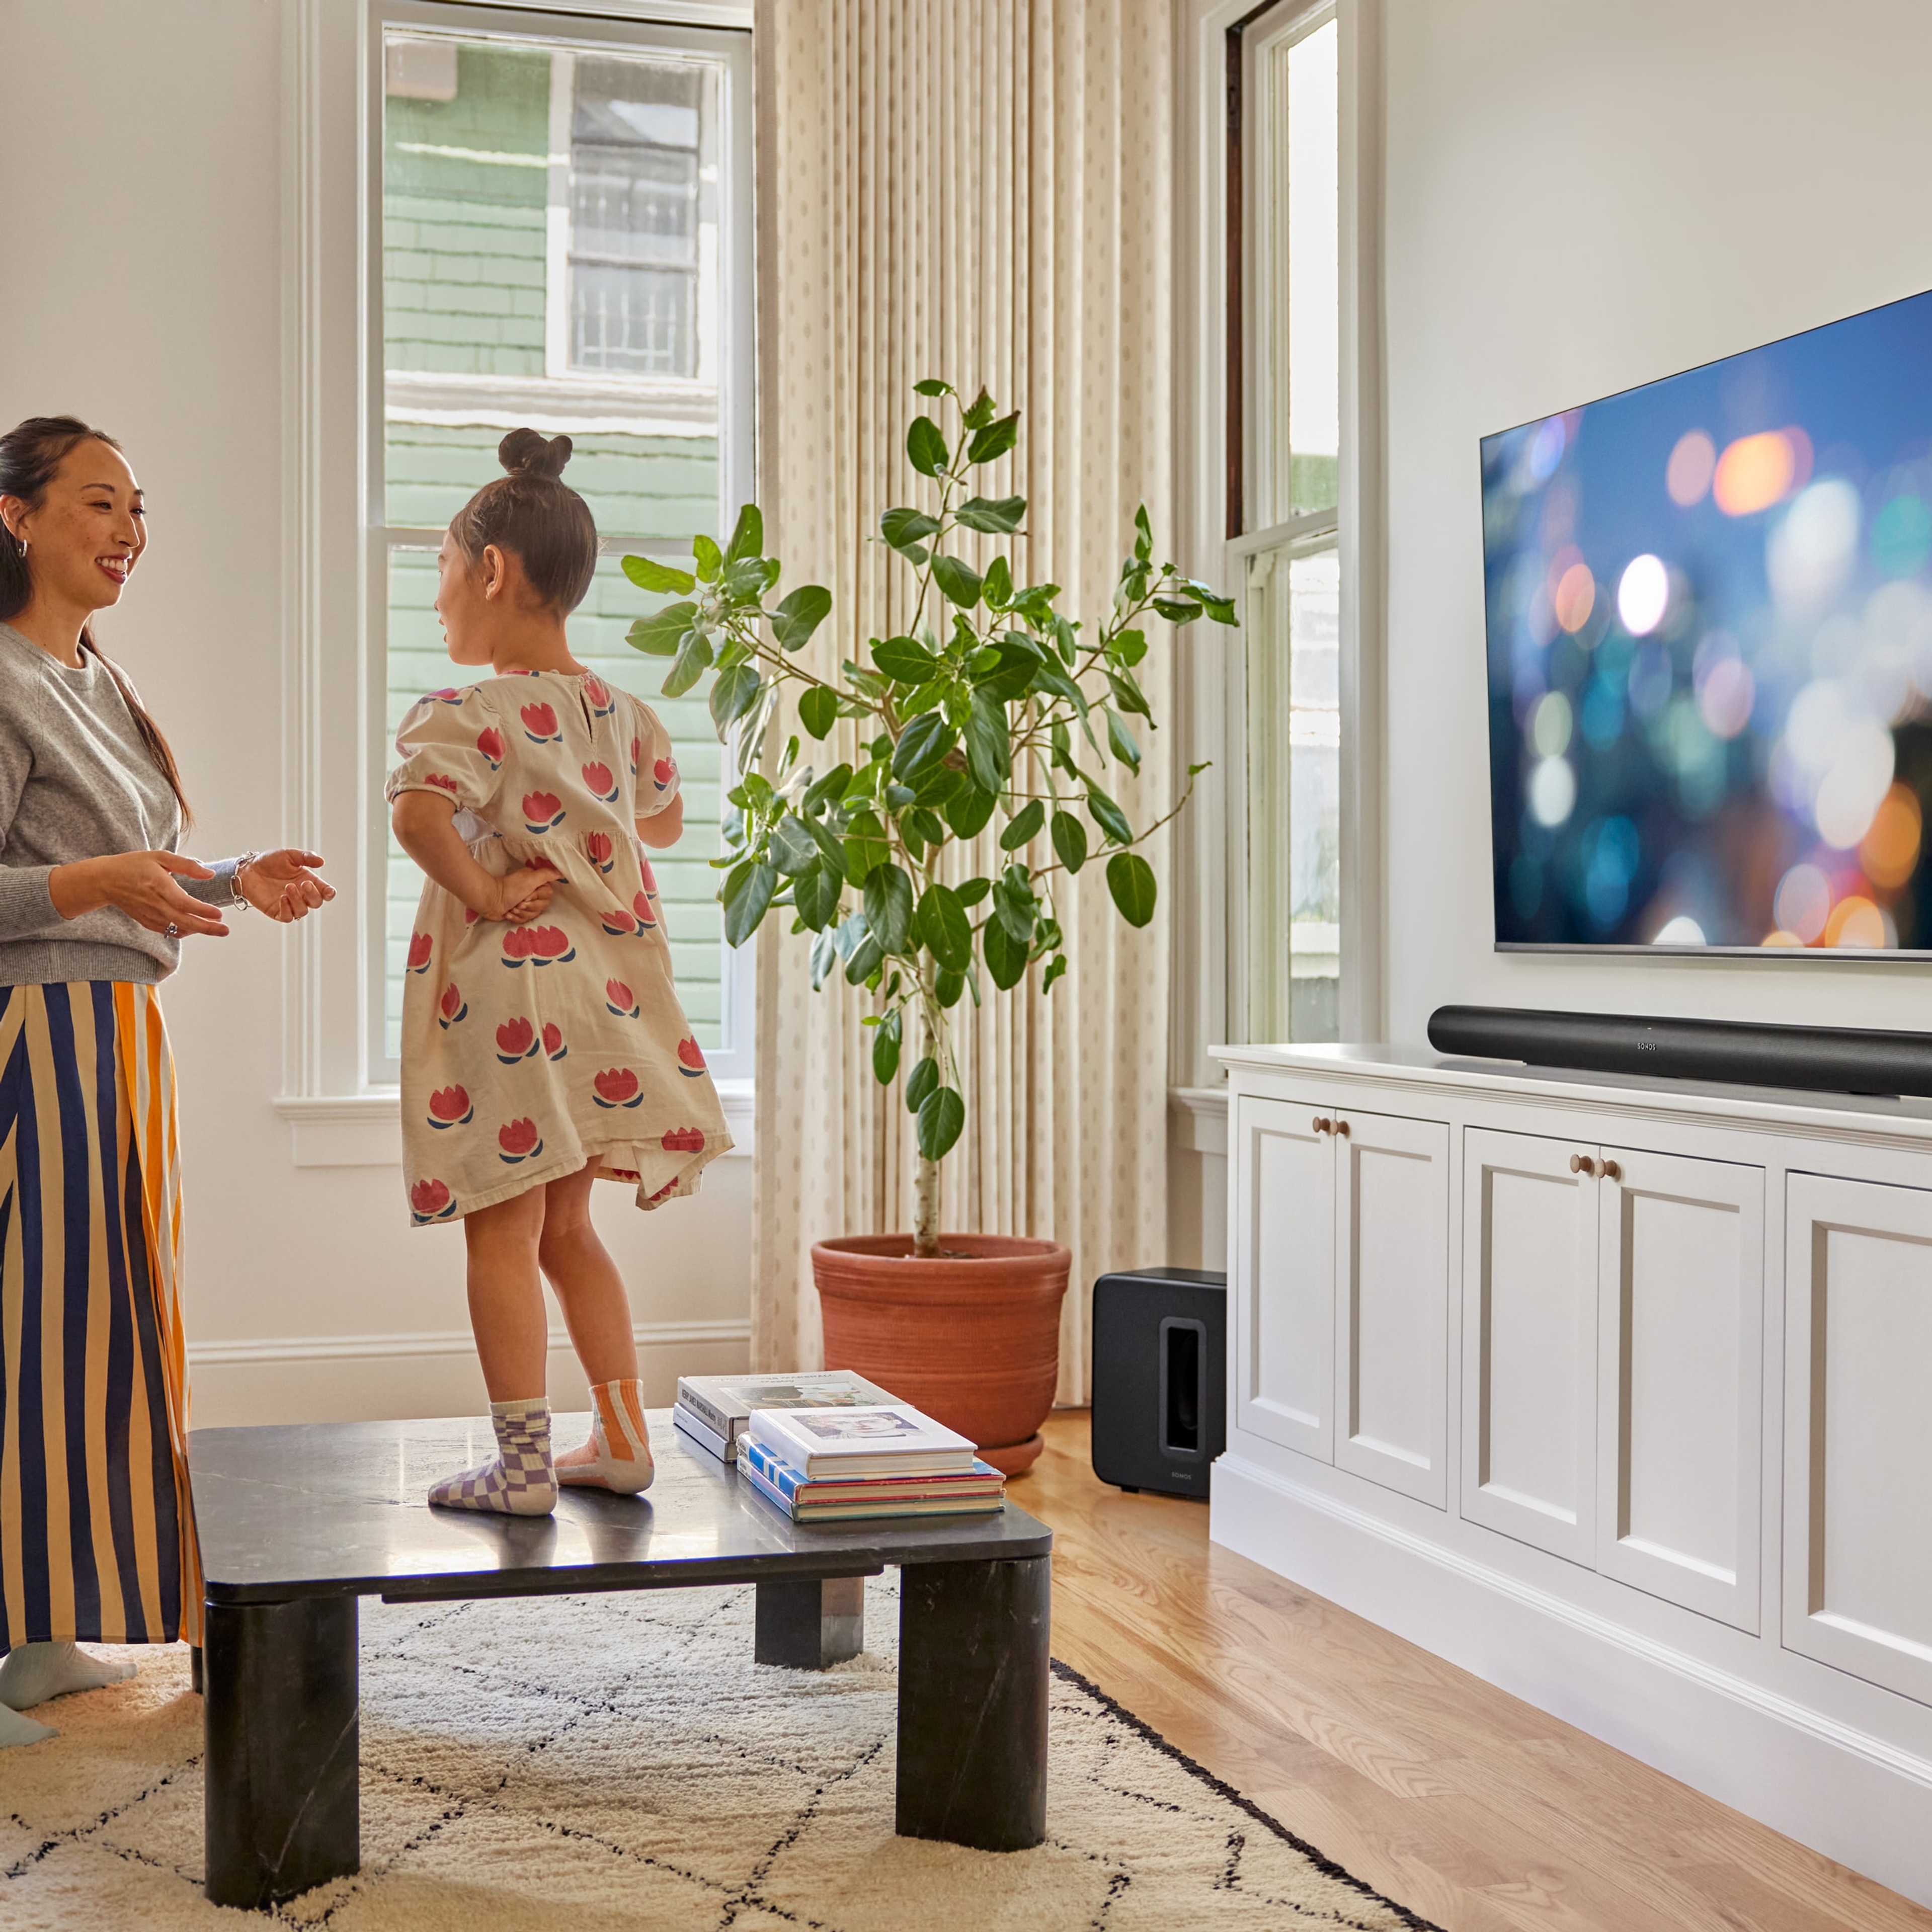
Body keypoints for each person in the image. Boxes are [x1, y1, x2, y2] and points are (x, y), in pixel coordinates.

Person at [0, 416, 335, 1749]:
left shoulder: (100, 682)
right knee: (23, 1336)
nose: (129, 530)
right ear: (15, 517)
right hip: (37, 1037)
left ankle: (38, 1635)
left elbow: (130, 873)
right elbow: (64, 887)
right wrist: (101, 885)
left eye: (140, 508)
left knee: (93, 1339)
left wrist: (229, 878)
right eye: (98, 502)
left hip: (121, 1038)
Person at [386, 428, 730, 1516]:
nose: (439, 600)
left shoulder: (469, 713)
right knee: (570, 1230)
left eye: (443, 572)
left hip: (513, 999)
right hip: (606, 1000)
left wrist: (487, 890)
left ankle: (523, 1467)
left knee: (503, 1228)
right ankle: (622, 1439)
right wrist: (589, 818)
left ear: (493, 571)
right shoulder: (627, 718)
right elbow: (664, 824)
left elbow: (414, 810)